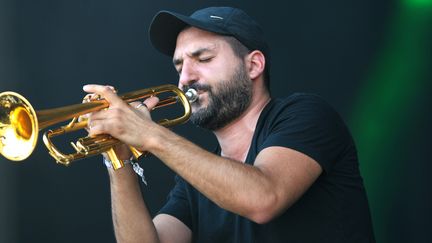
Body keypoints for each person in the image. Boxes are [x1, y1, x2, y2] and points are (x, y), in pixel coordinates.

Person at [83, 6, 375, 243]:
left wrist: (149, 134)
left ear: (253, 66)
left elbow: (263, 198)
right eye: (179, 66)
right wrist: (118, 160)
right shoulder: (195, 180)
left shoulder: (307, 115)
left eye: (203, 58)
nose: (185, 78)